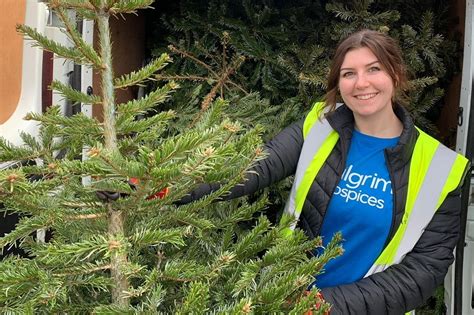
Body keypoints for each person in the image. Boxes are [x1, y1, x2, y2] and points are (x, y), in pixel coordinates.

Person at [106, 29, 471, 314]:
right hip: (282, 296)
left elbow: (421, 275)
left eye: (373, 69)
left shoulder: (442, 168)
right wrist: (155, 186)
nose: (361, 83)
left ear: (396, 74)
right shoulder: (319, 126)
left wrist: (323, 306)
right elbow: (248, 169)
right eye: (349, 73)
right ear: (337, 84)